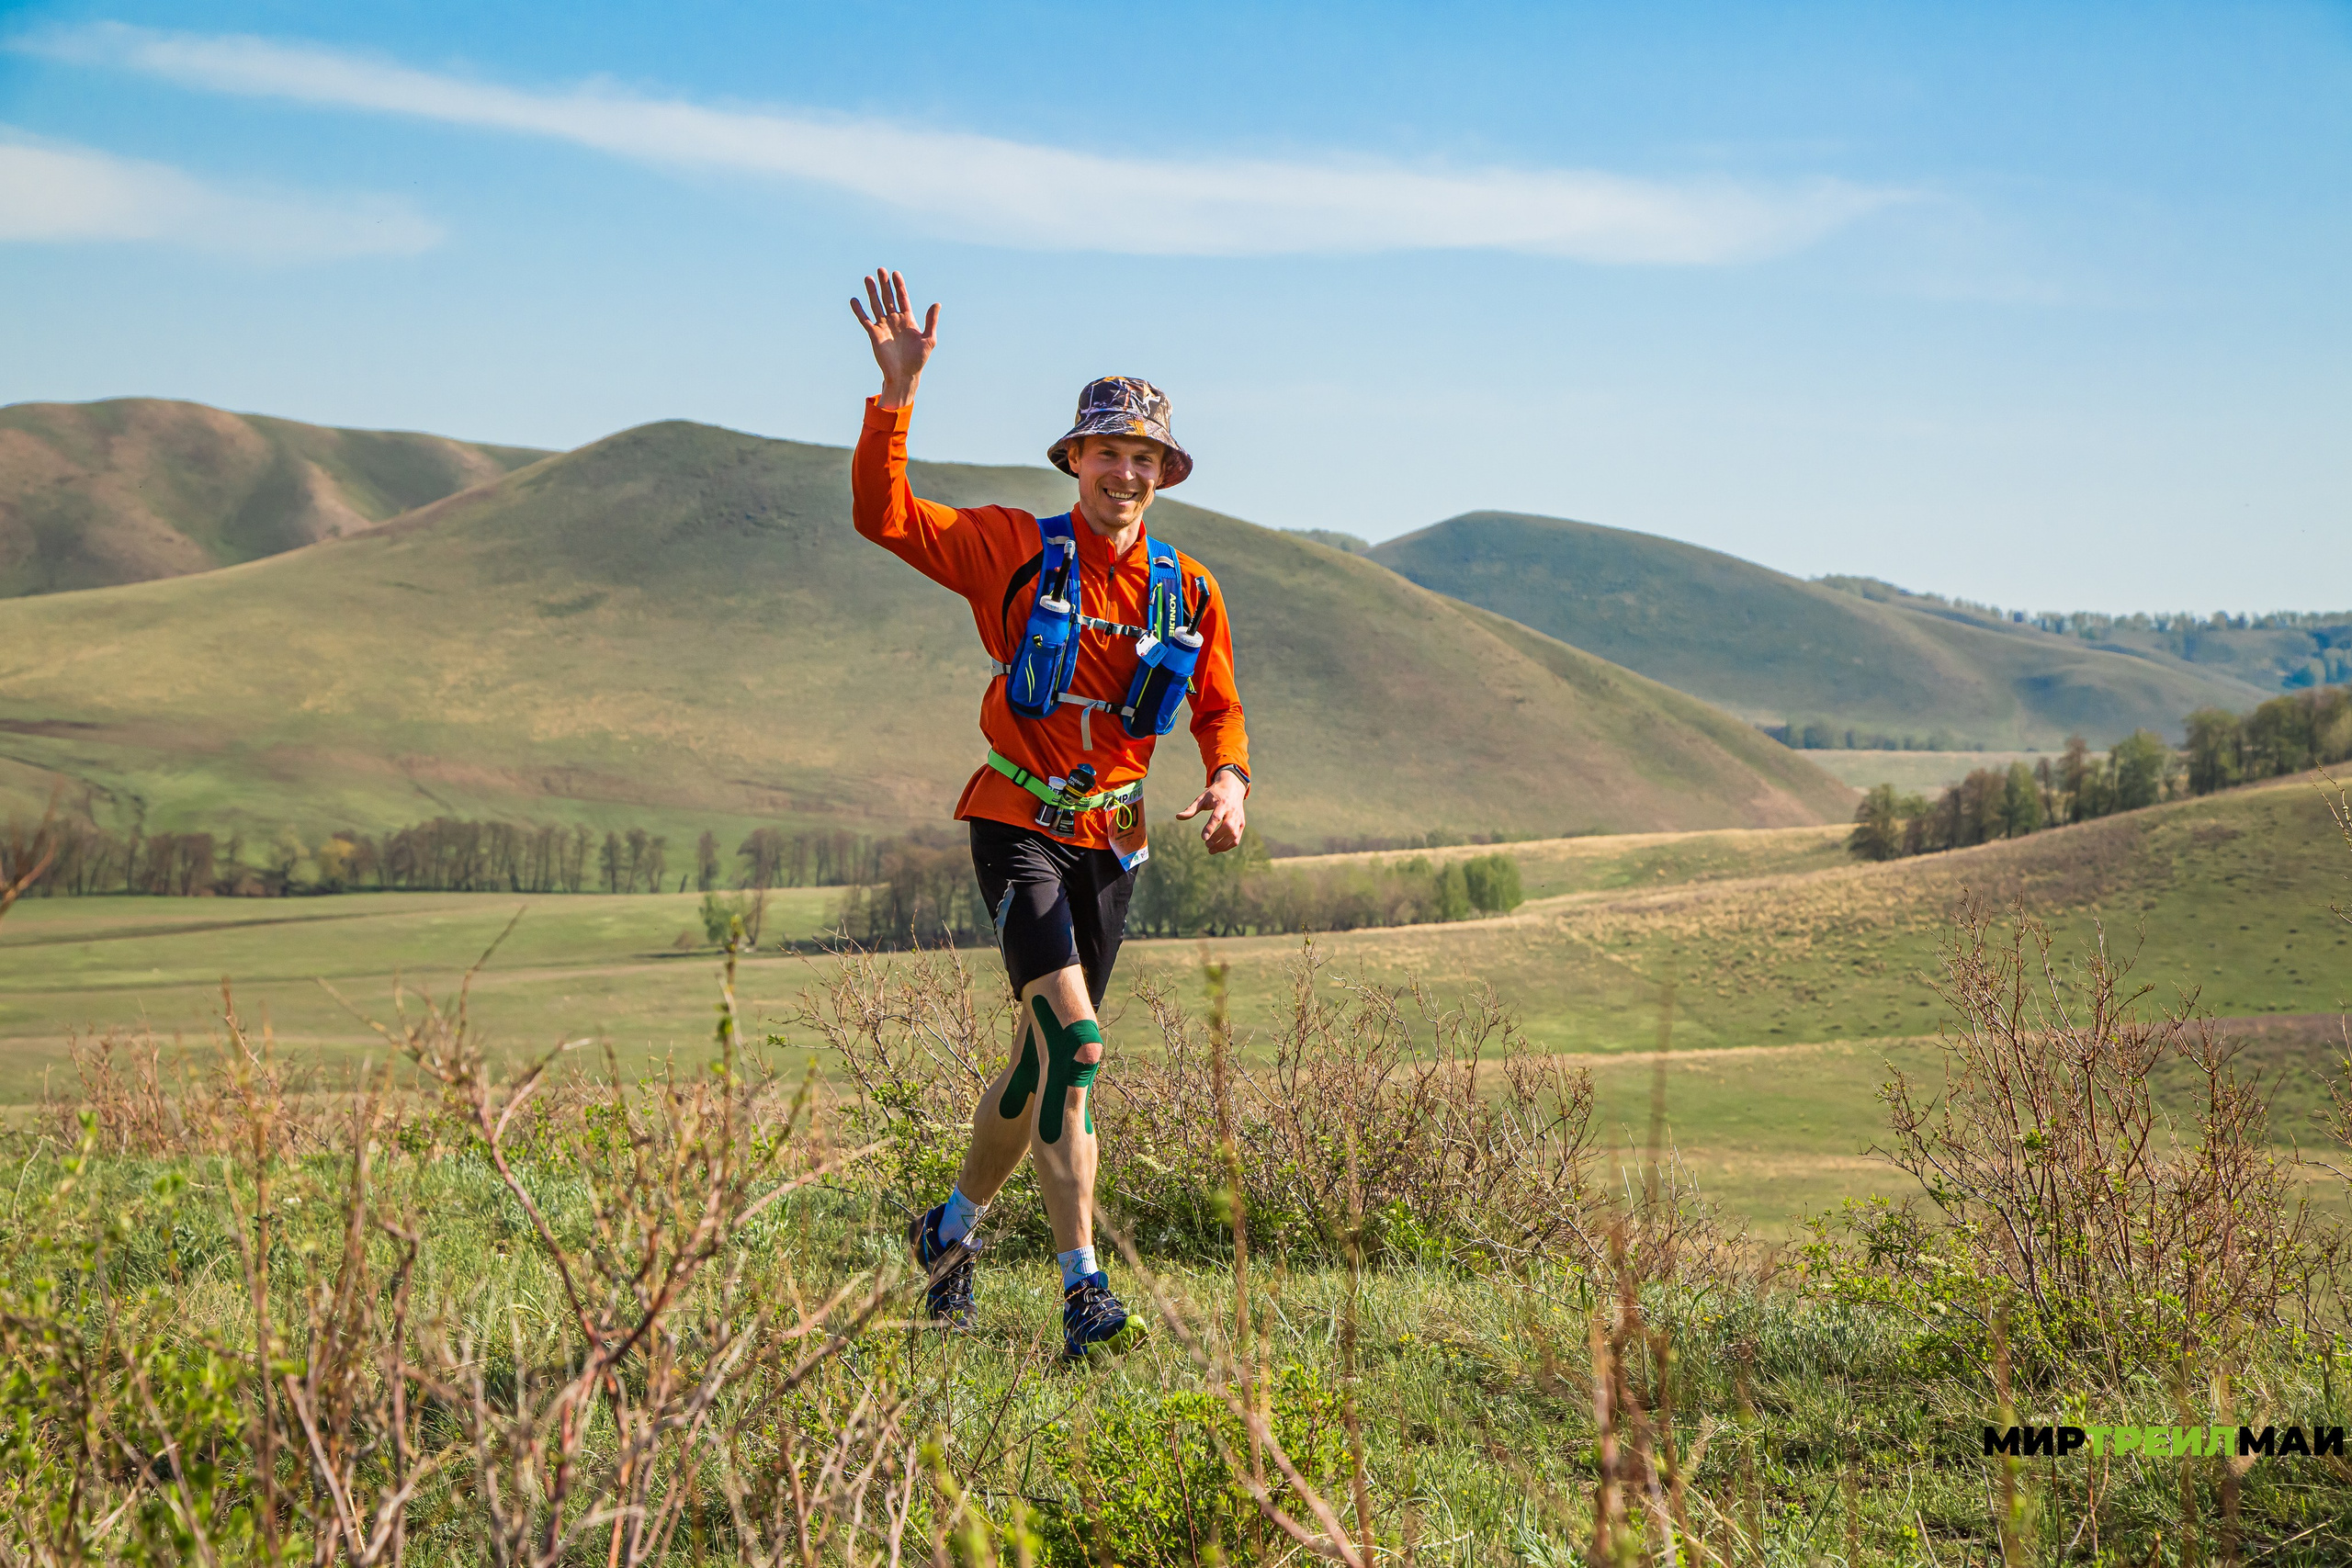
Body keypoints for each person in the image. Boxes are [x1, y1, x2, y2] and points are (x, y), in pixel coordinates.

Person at [849, 268, 1252, 1361]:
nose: (1124, 470)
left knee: (1042, 1066)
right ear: (1073, 458)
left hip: (1112, 844)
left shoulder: (1190, 588)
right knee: (1077, 1041)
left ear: (1163, 473)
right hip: (1016, 821)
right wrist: (896, 397)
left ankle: (946, 1233)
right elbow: (884, 517)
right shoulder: (1009, 549)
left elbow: (1217, 705)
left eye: (1143, 457)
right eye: (1105, 450)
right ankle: (1083, 1287)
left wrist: (1228, 781)